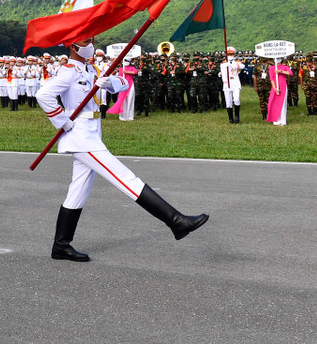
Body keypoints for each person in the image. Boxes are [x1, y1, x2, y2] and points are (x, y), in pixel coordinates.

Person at [38, 36, 208, 262]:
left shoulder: (91, 69)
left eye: (92, 41)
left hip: (92, 132)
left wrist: (110, 83)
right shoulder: (68, 71)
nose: (92, 46)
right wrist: (63, 121)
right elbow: (43, 95)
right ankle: (176, 221)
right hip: (80, 136)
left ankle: (61, 246)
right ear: (72, 47)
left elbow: (124, 83)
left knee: (78, 191)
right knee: (126, 178)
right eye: (87, 42)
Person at [219, 47, 243, 124]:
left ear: (234, 54)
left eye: (231, 54)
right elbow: (223, 73)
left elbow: (242, 66)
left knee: (236, 99)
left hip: (235, 83)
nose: (230, 55)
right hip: (227, 84)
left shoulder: (237, 62)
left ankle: (237, 116)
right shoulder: (223, 64)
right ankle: (231, 119)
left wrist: (232, 64)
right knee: (228, 103)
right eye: (228, 54)